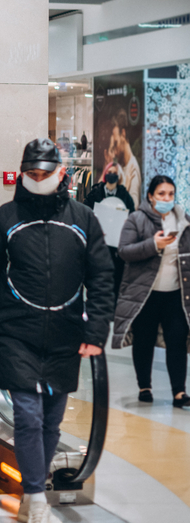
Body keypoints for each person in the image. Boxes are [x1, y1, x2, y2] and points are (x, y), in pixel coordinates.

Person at [0, 138, 114, 523]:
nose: (39, 180)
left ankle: (34, 490)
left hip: (66, 334)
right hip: (16, 332)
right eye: (33, 174)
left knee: (51, 421)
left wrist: (96, 332)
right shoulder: (6, 219)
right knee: (27, 415)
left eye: (46, 174)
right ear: (24, 174)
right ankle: (37, 502)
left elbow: (101, 279)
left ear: (61, 174)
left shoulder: (83, 220)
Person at [112, 175, 190, 407]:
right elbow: (124, 251)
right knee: (143, 341)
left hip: (175, 295)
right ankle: (144, 386)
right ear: (150, 196)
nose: (167, 198)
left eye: (170, 194)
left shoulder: (183, 221)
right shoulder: (137, 219)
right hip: (144, 294)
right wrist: (153, 245)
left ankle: (179, 392)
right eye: (161, 194)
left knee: (177, 340)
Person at [85, 163, 135, 300]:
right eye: (109, 171)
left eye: (115, 172)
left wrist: (127, 223)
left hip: (117, 247)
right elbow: (85, 213)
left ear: (118, 176)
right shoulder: (95, 193)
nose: (111, 175)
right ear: (105, 173)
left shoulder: (125, 195)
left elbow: (132, 215)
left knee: (116, 279)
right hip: (98, 243)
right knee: (97, 278)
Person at [109, 108, 141, 210]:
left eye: (116, 144)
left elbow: (133, 208)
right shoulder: (123, 167)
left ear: (123, 133)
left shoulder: (132, 170)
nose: (115, 152)